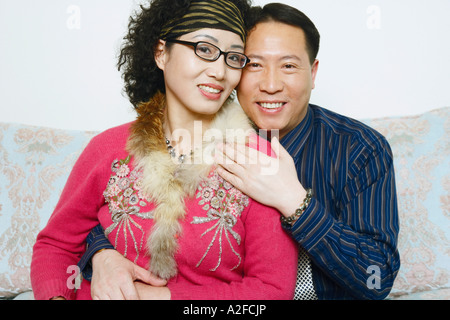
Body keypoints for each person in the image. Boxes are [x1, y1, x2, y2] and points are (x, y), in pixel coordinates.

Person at [78, 3, 401, 300]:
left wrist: (295, 203)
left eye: (288, 66)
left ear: (313, 73)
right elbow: (121, 202)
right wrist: (101, 253)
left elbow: (377, 278)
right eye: (254, 65)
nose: (271, 84)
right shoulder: (199, 135)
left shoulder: (360, 149)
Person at [30, 0, 299, 300]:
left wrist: (161, 298)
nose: (220, 72)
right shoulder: (107, 148)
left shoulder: (255, 159)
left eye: (233, 57)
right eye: (205, 50)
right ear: (161, 53)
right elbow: (56, 246)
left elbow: (271, 291)